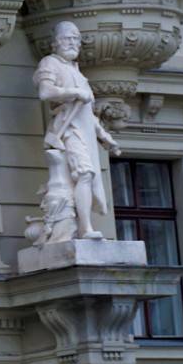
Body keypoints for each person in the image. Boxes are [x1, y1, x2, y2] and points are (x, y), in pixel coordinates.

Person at [33, 20, 118, 240]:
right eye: (68, 38)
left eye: (76, 39)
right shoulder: (50, 63)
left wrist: (105, 137)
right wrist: (73, 92)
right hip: (67, 129)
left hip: (85, 131)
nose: (73, 43)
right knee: (85, 174)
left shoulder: (77, 72)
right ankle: (85, 228)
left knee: (86, 177)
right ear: (56, 42)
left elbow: (88, 113)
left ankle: (83, 226)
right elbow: (45, 92)